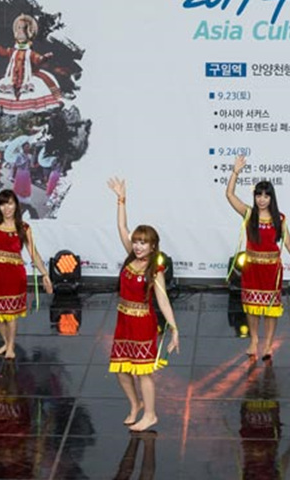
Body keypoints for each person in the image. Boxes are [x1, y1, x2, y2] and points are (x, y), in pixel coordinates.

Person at [107, 177, 180, 432]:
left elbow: (163, 301)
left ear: (152, 246)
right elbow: (121, 226)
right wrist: (121, 199)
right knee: (121, 369)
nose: (138, 246)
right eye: (136, 242)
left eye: (143, 243)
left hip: (143, 324)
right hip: (124, 322)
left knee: (143, 372)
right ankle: (135, 404)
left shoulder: (154, 270)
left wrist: (174, 329)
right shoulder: (131, 258)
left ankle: (150, 415)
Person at [226, 156, 290, 360]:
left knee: (271, 309)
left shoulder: (280, 219)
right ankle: (254, 340)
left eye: (266, 196)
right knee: (252, 307)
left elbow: (289, 242)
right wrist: (235, 172)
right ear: (254, 197)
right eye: (258, 195)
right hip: (252, 268)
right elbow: (229, 195)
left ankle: (269, 345)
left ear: (271, 198)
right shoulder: (248, 214)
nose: (262, 199)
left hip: (272, 271)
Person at [0, 154, 52, 359]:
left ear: (16, 205)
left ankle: (11, 347)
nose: (7, 208)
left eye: (10, 204)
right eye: (3, 204)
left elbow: (33, 253)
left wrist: (45, 274)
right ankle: (6, 343)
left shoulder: (23, 227)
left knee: (11, 313)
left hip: (14, 274)